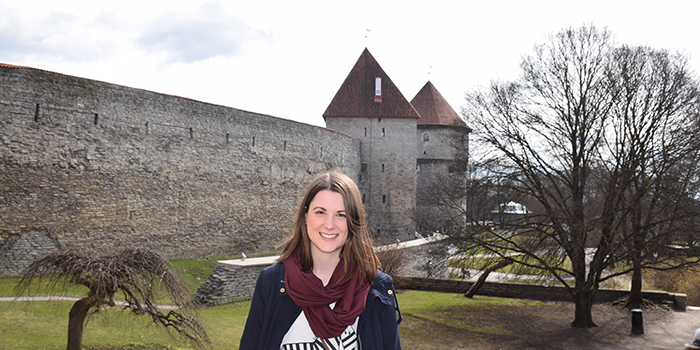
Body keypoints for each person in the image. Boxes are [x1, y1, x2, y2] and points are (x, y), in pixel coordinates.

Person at [239, 172, 402, 350]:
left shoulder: (376, 288)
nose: (329, 225)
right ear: (306, 215)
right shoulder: (271, 282)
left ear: (353, 221)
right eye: (321, 212)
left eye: (341, 215)